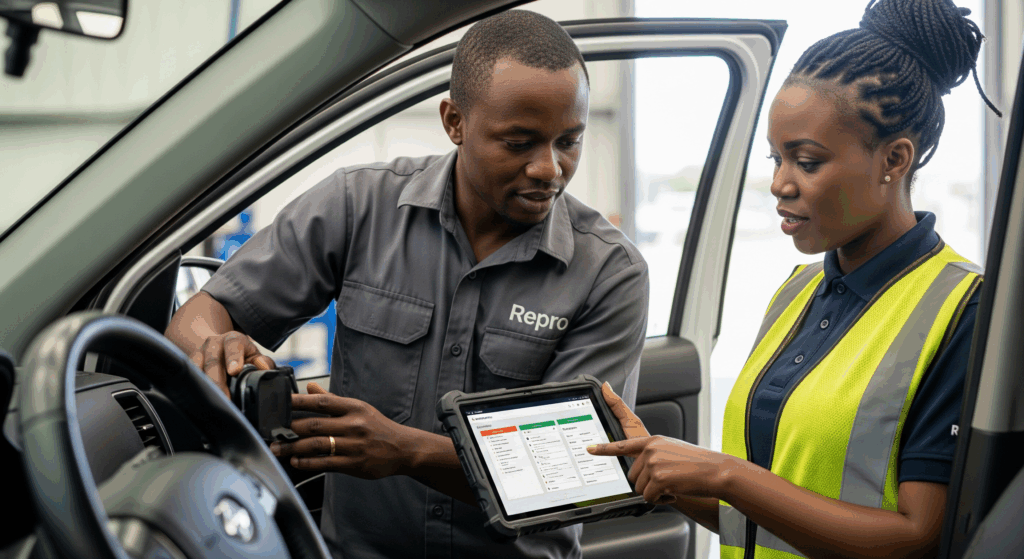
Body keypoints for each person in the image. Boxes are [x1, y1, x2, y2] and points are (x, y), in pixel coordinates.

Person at [164, 9, 648, 559]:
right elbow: (199, 315)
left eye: (569, 141)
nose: (549, 168)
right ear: (454, 122)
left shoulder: (610, 272)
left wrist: (405, 451)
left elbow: (576, 467)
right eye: (519, 143)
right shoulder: (358, 207)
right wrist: (220, 350)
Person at [588, 0, 1001, 557]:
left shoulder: (964, 311)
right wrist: (669, 471)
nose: (781, 183)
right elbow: (762, 517)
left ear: (895, 159)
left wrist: (725, 475)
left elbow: (918, 538)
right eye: (775, 159)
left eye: (806, 161)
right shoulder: (797, 291)